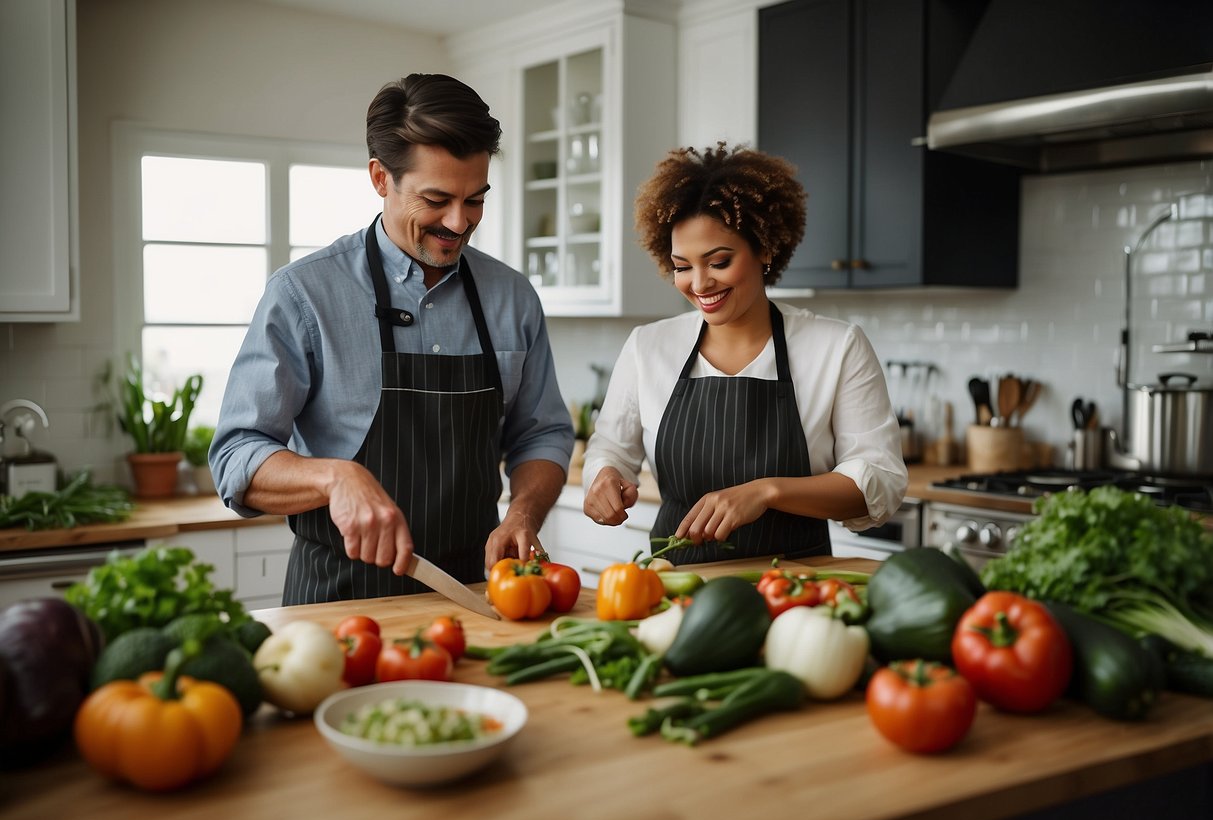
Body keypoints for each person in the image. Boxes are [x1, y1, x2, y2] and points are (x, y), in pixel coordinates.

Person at [210, 74, 574, 605]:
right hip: (338, 602)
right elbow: (237, 456)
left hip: (474, 596)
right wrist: (334, 478)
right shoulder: (304, 294)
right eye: (436, 199)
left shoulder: (512, 298)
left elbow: (542, 436)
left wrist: (523, 512)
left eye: (475, 199)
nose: (459, 222)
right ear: (381, 178)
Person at [582, 143, 906, 563]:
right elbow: (611, 449)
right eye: (682, 266)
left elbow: (879, 481)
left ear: (765, 249)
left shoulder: (836, 347)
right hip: (675, 589)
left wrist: (767, 492)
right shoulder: (649, 347)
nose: (699, 284)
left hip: (796, 593)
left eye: (718, 262)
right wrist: (605, 478)